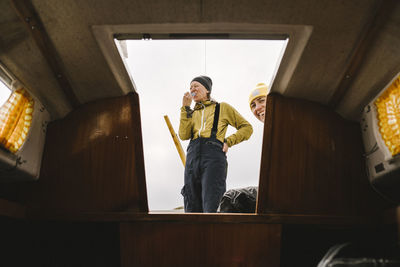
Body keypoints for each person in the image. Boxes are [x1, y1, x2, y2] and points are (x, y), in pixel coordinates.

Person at [179, 75, 253, 213]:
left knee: (212, 201)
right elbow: (183, 135)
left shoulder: (222, 107)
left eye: (196, 86)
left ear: (207, 90)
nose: (192, 89)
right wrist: (185, 109)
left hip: (213, 157)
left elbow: (247, 128)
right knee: (191, 203)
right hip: (192, 159)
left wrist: (228, 141)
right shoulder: (191, 112)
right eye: (190, 87)